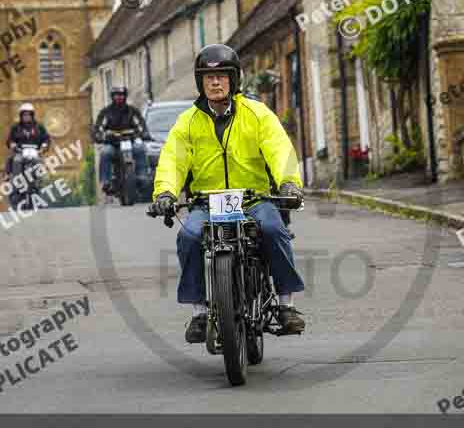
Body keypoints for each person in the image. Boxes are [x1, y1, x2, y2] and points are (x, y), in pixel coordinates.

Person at [152, 43, 306, 344]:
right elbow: (172, 159)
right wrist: (166, 193)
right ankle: (198, 312)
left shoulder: (257, 113)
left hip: (254, 199)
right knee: (189, 237)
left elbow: (279, 149)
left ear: (234, 79)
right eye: (208, 78)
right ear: (200, 82)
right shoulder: (187, 122)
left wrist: (289, 184)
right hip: (206, 202)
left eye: (222, 75)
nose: (215, 82)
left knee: (274, 229)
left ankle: (287, 306)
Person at [93, 86, 151, 193]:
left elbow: (140, 125)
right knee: (105, 152)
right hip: (112, 144)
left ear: (125, 96)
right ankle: (105, 181)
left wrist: (144, 133)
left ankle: (142, 175)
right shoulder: (106, 112)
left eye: (121, 95)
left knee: (140, 148)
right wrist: (99, 136)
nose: (119, 97)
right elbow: (99, 127)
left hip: (130, 142)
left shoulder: (132, 111)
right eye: (116, 95)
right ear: (112, 97)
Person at [5, 103, 50, 180]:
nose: (26, 117)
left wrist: (43, 148)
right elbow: (10, 139)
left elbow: (46, 139)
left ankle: (41, 182)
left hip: (36, 152)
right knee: (16, 160)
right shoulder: (15, 127)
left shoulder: (39, 127)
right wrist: (12, 144)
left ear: (32, 116)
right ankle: (16, 182)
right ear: (21, 116)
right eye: (24, 115)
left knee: (40, 162)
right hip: (20, 152)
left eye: (28, 115)